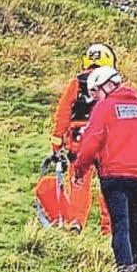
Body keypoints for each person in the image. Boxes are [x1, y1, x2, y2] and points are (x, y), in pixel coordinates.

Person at [72, 67, 137, 272]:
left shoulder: (104, 109)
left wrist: (80, 170)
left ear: (106, 86)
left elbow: (91, 142)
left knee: (120, 224)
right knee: (136, 222)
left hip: (113, 176)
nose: (94, 98)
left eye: (95, 92)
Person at [48, 43, 116, 233]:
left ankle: (76, 222)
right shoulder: (112, 84)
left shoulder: (76, 83)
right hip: (106, 141)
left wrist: (57, 141)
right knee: (109, 184)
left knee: (79, 180)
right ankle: (109, 228)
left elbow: (63, 112)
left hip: (79, 139)